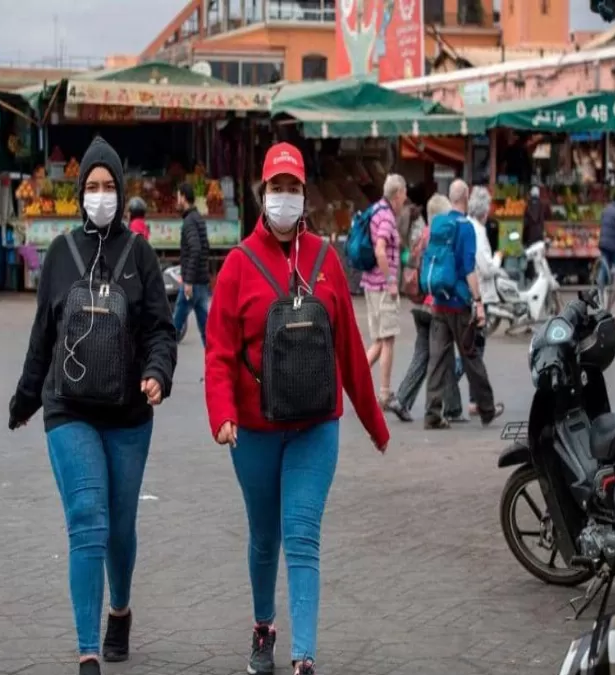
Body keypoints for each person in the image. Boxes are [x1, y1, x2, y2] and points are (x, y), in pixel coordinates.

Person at [204, 142, 390, 675]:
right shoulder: (237, 267)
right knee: (265, 537)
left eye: (292, 188)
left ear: (303, 195)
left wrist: (375, 426)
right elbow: (217, 353)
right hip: (254, 430)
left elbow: (351, 351)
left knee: (303, 535)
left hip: (315, 427)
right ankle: (264, 627)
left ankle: (303, 657)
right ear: (262, 194)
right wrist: (221, 414)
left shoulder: (327, 261)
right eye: (275, 188)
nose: (284, 198)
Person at [7, 136, 177, 675]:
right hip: (69, 411)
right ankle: (86, 651)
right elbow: (43, 335)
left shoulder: (141, 255)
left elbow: (161, 332)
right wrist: (26, 398)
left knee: (120, 529)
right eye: (92, 188)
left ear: (122, 194)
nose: (100, 196)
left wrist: (157, 374)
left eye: (109, 187)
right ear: (81, 194)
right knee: (87, 520)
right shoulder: (60, 254)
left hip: (127, 415)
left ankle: (119, 610)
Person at [423, 179, 503, 430]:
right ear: (466, 198)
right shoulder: (466, 227)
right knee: (471, 355)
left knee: (437, 359)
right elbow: (469, 269)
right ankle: (487, 409)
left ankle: (432, 413)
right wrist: (478, 302)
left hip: (438, 301)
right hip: (458, 302)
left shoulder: (438, 223)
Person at [392, 193, 464, 422]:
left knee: (427, 354)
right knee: (439, 357)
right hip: (437, 305)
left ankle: (407, 400)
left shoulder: (422, 235)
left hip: (418, 303)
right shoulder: (443, 236)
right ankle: (441, 407)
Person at [363, 173, 406, 414]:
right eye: (404, 193)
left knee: (380, 339)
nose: (405, 198)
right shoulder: (387, 217)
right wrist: (390, 280)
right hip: (382, 288)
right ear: (397, 194)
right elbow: (380, 249)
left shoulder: (375, 210)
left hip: (370, 285)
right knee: (387, 339)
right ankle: (385, 393)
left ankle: (354, 379)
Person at [464, 186, 502, 417]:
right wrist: (497, 260)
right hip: (479, 294)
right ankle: (476, 400)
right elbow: (485, 269)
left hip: (471, 294)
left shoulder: (469, 227)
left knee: (472, 347)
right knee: (475, 349)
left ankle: (472, 399)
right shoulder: (478, 231)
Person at [173, 183, 210, 347]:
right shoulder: (198, 218)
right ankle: (213, 370)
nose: (177, 200)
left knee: (173, 327)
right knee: (207, 332)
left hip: (192, 284)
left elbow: (195, 249)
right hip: (201, 283)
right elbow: (205, 247)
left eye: (178, 196)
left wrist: (188, 281)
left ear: (183, 197)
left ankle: (161, 364)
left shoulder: (189, 221)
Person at [522, 185, 544, 282]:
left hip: (530, 235)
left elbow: (525, 223)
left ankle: (530, 276)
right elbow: (542, 220)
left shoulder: (528, 205)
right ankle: (539, 276)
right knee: (538, 257)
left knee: (530, 256)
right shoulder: (542, 205)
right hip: (539, 235)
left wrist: (524, 238)